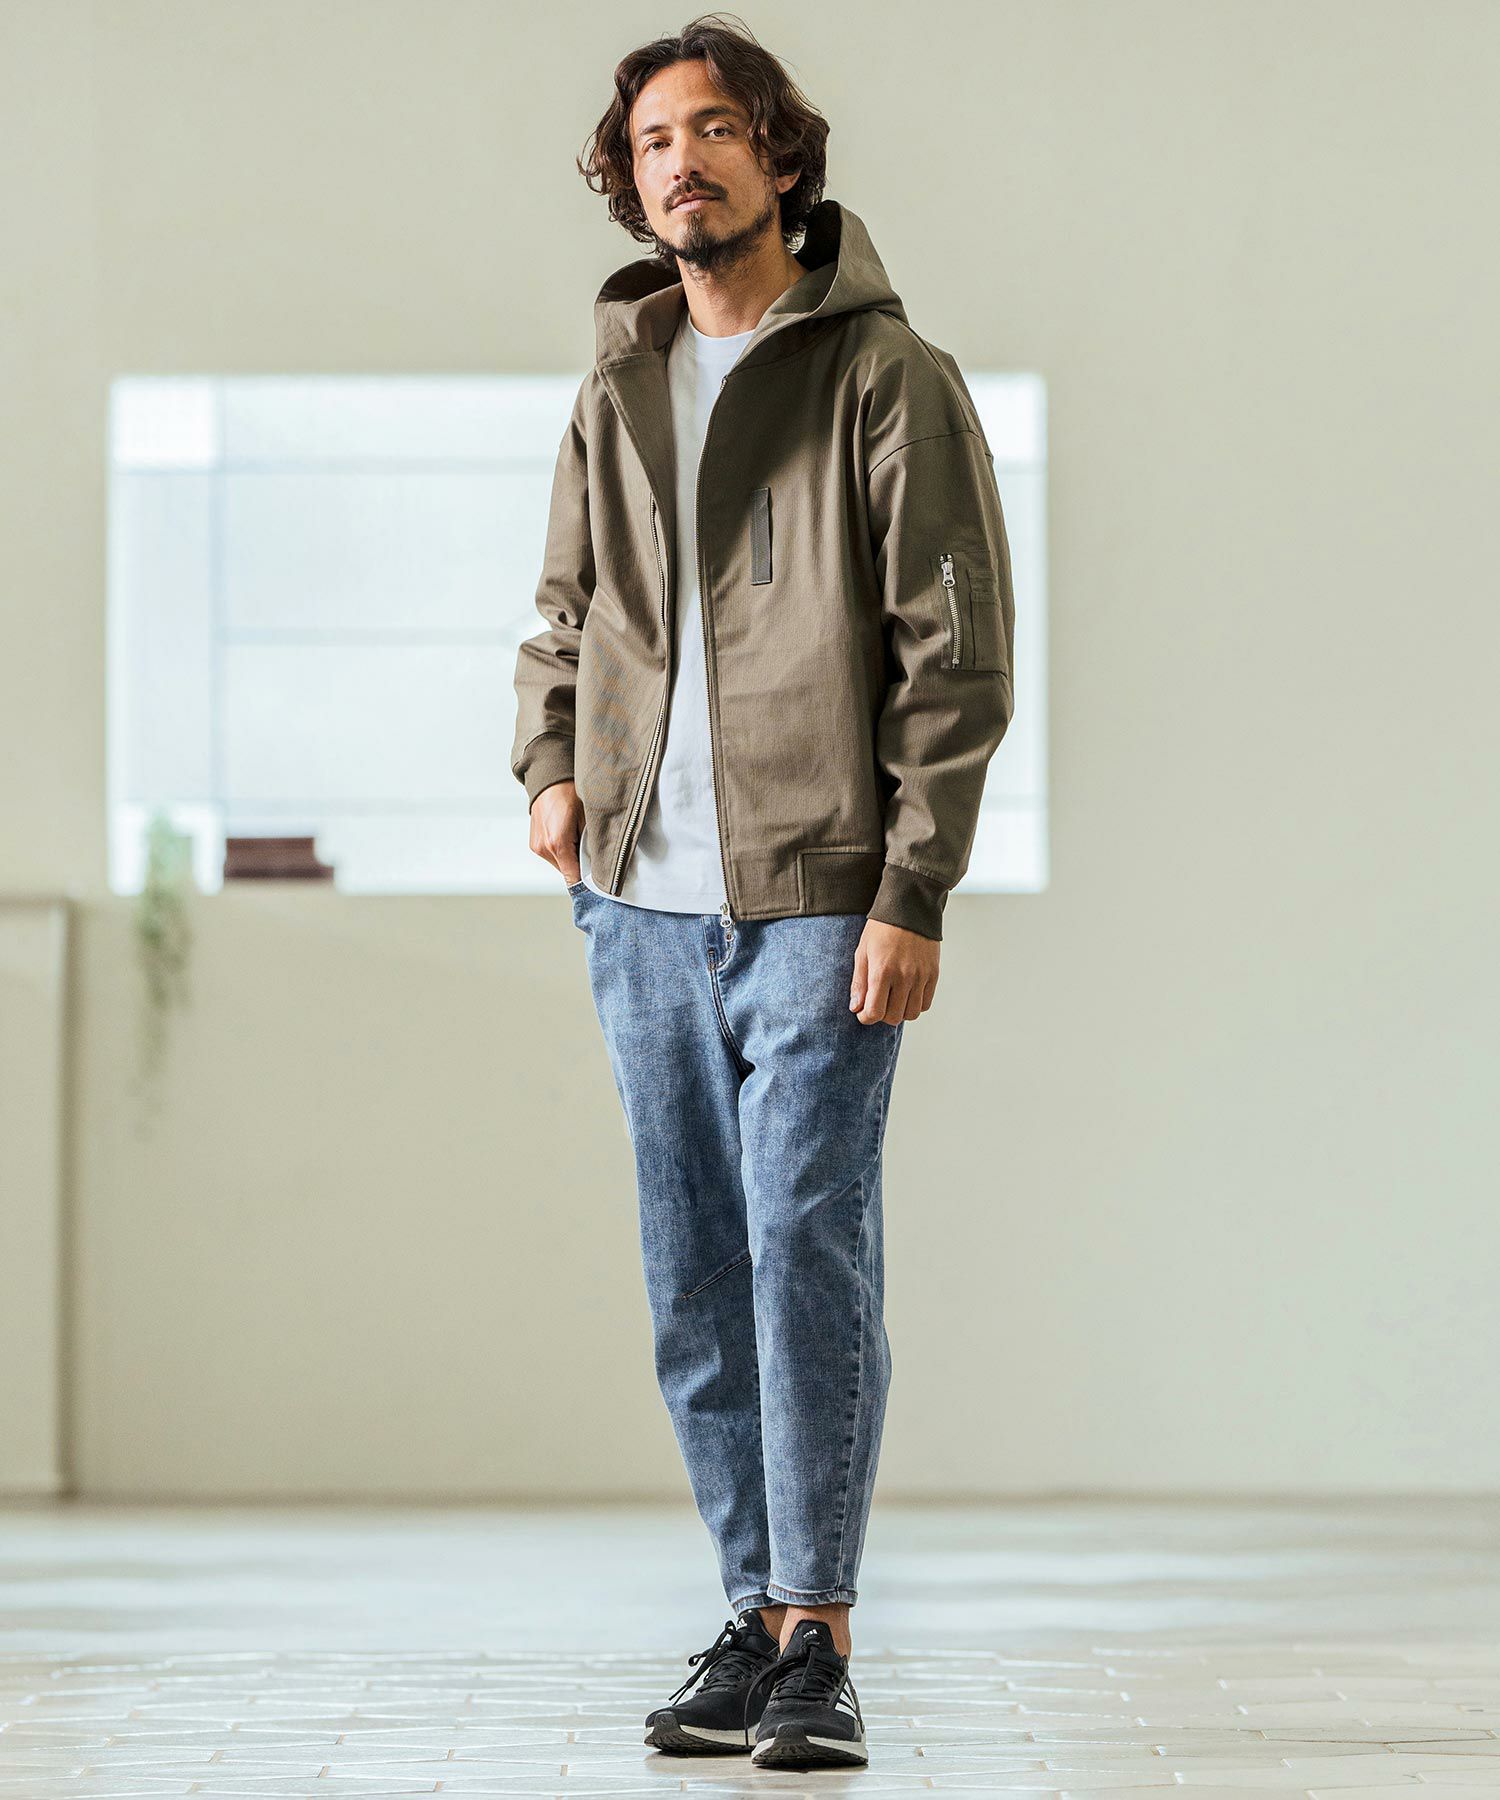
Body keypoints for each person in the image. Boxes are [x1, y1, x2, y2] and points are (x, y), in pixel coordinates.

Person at [510, 13, 1014, 1773]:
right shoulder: (617, 387)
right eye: (656, 140)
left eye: (717, 129)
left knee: (803, 1247)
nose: (685, 162)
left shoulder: (888, 378)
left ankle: (818, 1634)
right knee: (694, 1276)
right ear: (629, 180)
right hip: (639, 903)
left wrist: (915, 887)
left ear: (783, 159)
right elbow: (562, 614)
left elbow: (955, 656)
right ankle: (751, 1607)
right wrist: (550, 772)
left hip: (822, 896)